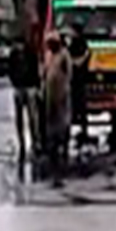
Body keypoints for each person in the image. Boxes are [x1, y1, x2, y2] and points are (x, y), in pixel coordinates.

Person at [42, 32, 73, 166]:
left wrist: (64, 85)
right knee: (50, 116)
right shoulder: (48, 55)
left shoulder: (64, 54)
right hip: (49, 90)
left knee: (62, 117)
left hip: (62, 91)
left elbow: (69, 72)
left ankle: (63, 141)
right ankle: (51, 142)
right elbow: (45, 71)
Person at [8, 36, 40, 160]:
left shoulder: (30, 53)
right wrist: (14, 82)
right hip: (20, 87)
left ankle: (34, 142)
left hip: (28, 86)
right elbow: (10, 69)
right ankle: (22, 142)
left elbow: (35, 68)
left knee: (32, 117)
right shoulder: (15, 55)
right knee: (21, 118)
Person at [67, 26, 92, 146]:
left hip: (78, 80)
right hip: (76, 80)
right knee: (78, 108)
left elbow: (84, 58)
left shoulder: (80, 43)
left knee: (79, 108)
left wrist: (75, 62)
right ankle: (81, 130)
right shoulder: (75, 43)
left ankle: (82, 131)